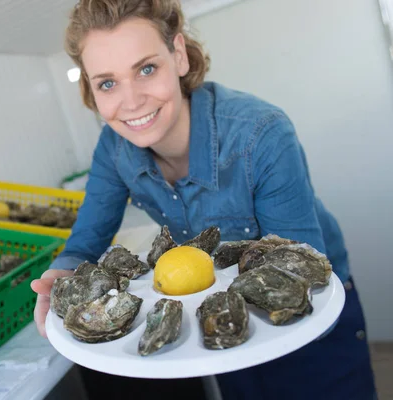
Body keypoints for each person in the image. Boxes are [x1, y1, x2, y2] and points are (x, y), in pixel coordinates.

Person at [31, 0, 378, 399]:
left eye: (146, 69)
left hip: (311, 307)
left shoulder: (261, 134)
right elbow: (84, 244)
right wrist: (61, 277)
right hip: (221, 309)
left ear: (178, 55)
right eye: (107, 83)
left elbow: (296, 274)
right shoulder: (113, 148)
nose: (131, 101)